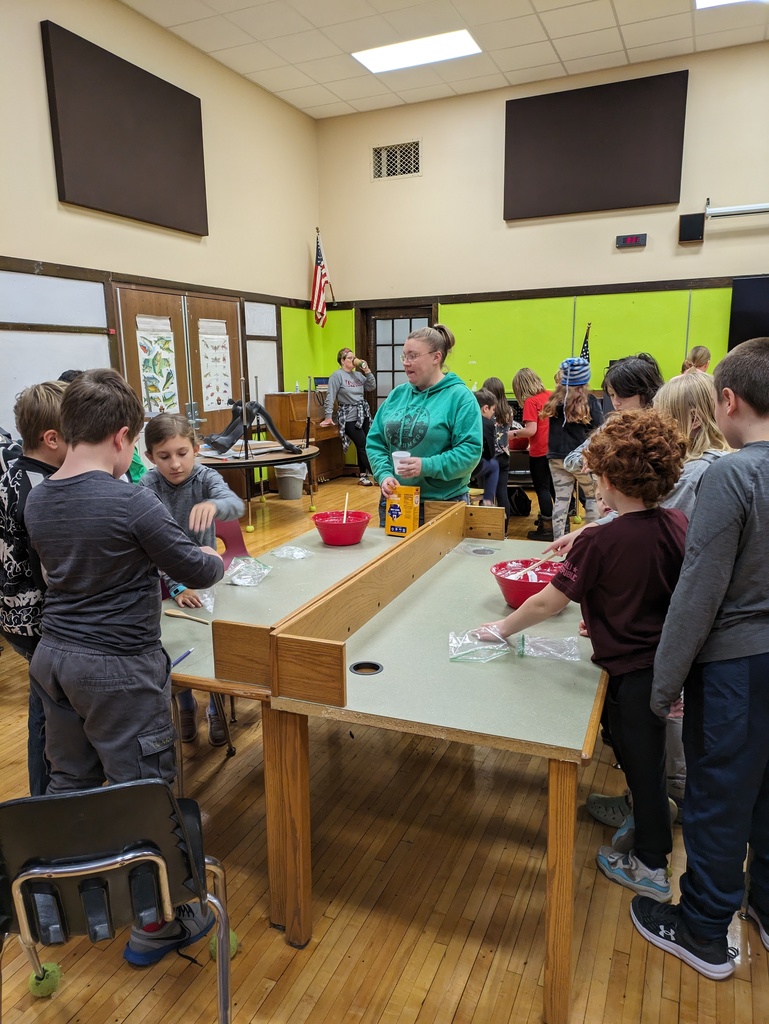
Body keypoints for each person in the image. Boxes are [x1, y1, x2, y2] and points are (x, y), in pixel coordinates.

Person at [24, 368, 224, 966]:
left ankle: (74, 907)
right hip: (117, 670)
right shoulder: (129, 497)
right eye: (134, 445)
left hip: (54, 661)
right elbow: (197, 569)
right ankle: (156, 927)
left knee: (69, 785)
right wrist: (213, 554)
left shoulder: (40, 497)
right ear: (120, 436)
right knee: (145, 794)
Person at [476, 409, 688, 903]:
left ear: (611, 481)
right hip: (661, 665)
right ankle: (645, 821)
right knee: (640, 757)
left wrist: (501, 629)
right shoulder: (675, 522)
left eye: (595, 476)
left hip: (633, 673)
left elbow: (550, 600)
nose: (593, 485)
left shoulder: (603, 540)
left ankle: (651, 865)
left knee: (644, 768)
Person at [630, 337, 769, 981]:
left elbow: (699, 590)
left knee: (719, 796)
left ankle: (705, 930)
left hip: (738, 666)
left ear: (729, 400)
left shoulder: (733, 473)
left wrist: (663, 686)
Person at [140, 412, 244, 746]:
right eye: (164, 456)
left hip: (203, 577)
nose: (174, 464)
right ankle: (185, 705)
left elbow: (235, 504)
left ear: (196, 449)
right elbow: (153, 547)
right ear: (149, 457)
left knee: (212, 642)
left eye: (182, 453)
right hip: (165, 582)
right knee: (177, 643)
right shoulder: (147, 487)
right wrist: (176, 586)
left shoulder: (204, 477)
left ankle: (214, 705)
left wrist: (215, 505)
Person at [0, 380, 68, 795]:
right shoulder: (43, 491)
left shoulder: (9, 473)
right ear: (52, 439)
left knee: (44, 709)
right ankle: (46, 805)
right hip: (40, 620)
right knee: (48, 719)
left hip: (13, 615)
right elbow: (52, 571)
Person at [366, 324, 482, 526]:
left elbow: (469, 453)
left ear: (436, 357)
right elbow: (376, 442)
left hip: (442, 504)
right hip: (397, 502)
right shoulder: (397, 395)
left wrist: (426, 466)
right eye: (404, 356)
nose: (406, 363)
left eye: (413, 356)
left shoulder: (460, 397)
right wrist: (384, 475)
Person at [543, 356, 604, 539]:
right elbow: (599, 431)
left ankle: (558, 541)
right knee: (592, 496)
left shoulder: (554, 401)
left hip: (555, 458)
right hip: (580, 459)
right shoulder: (590, 401)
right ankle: (589, 539)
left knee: (561, 501)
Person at [319, 348, 376, 486]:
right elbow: (330, 396)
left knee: (365, 445)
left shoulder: (357, 375)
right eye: (350, 358)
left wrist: (367, 371)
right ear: (342, 361)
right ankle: (378, 475)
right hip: (349, 415)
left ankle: (363, 476)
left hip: (363, 413)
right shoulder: (337, 376)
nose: (353, 360)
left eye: (353, 357)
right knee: (362, 445)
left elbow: (371, 386)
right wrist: (328, 416)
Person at [511, 368, 553, 541]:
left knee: (541, 489)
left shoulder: (531, 402)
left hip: (539, 451)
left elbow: (531, 430)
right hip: (555, 450)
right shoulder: (550, 395)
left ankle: (547, 529)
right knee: (554, 489)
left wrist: (511, 434)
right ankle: (560, 524)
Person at [482, 377, 512, 529]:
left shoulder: (486, 412)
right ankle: (504, 528)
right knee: (502, 493)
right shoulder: (508, 411)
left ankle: (487, 526)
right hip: (504, 455)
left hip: (489, 456)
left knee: (486, 493)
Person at [472, 389, 499, 506]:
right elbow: (490, 453)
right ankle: (487, 500)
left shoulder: (464, 418)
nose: (493, 414)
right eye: (493, 410)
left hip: (455, 461)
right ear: (485, 408)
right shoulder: (487, 423)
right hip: (471, 465)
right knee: (494, 465)